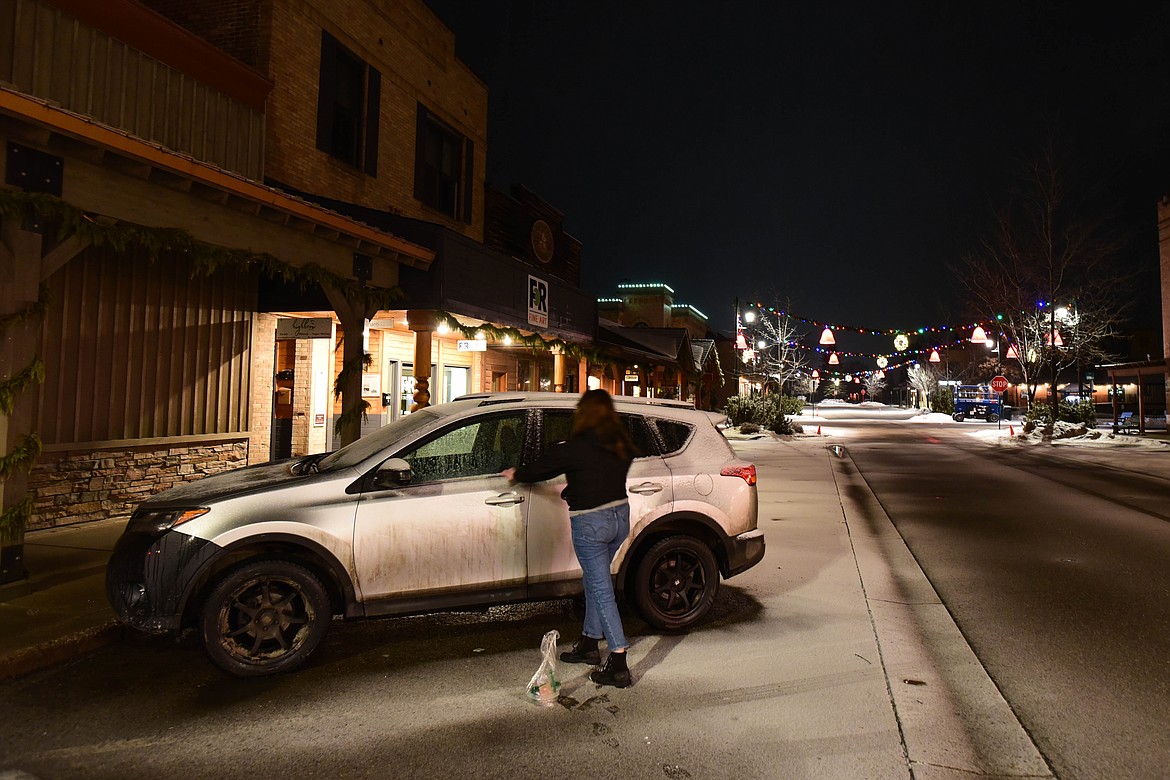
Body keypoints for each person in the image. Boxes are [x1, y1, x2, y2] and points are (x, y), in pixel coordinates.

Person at [501, 389, 635, 688]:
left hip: (591, 523)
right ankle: (589, 642)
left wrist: (516, 474)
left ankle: (618, 659)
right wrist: (574, 489)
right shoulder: (621, 445)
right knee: (593, 580)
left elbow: (541, 468)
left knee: (601, 588)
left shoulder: (576, 447)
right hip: (619, 517)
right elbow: (600, 477)